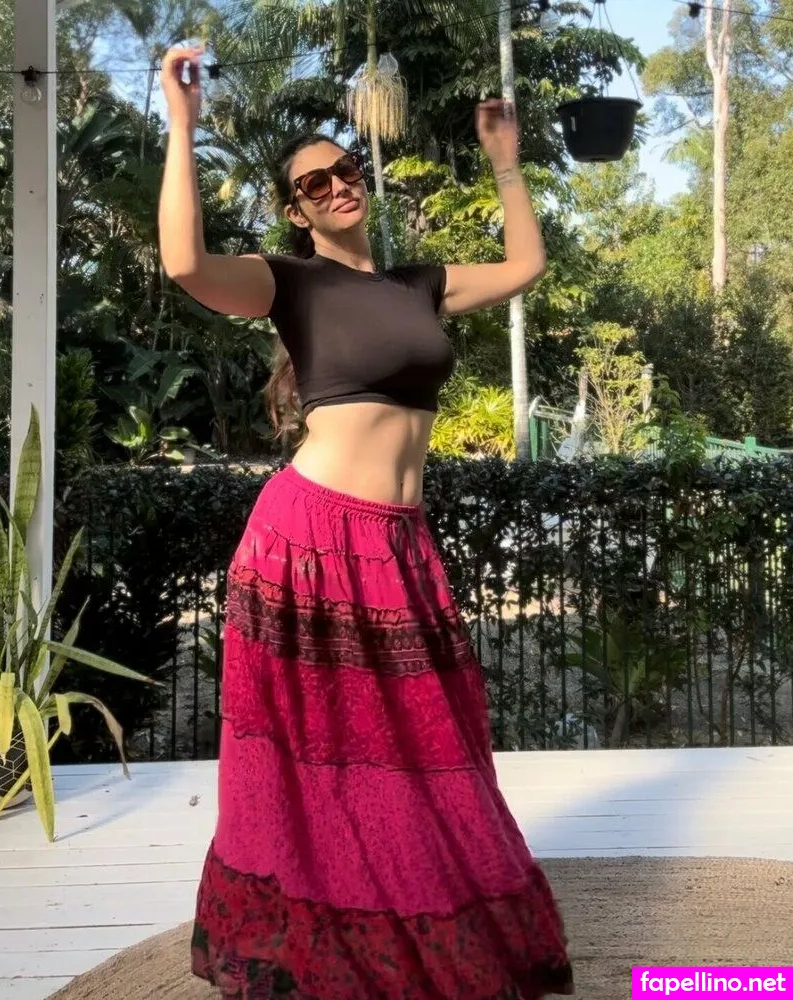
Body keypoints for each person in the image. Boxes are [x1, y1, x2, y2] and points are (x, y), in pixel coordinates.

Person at [159, 44, 574, 1000]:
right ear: (295, 211)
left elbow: (525, 264)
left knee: (429, 743)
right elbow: (184, 262)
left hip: (397, 544)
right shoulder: (288, 283)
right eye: (314, 182)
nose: (338, 184)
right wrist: (182, 125)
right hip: (307, 538)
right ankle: (333, 940)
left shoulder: (417, 283)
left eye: (346, 169)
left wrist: (505, 160)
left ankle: (415, 914)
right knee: (322, 754)